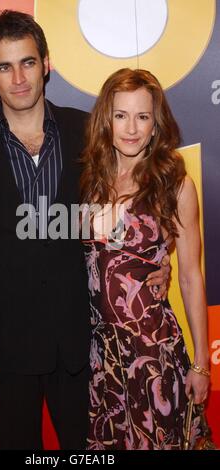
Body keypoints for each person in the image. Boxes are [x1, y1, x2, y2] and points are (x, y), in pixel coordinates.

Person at [0, 11, 169, 450]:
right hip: (2, 349)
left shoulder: (91, 133)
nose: (18, 78)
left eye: (27, 62)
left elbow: (141, 201)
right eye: (4, 66)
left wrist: (157, 263)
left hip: (83, 342)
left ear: (47, 63)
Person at [80, 68, 210, 450]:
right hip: (101, 358)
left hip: (153, 351)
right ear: (107, 120)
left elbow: (190, 276)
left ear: (156, 124)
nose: (132, 128)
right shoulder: (91, 180)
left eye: (143, 116)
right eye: (121, 115)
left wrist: (201, 364)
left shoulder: (176, 185)